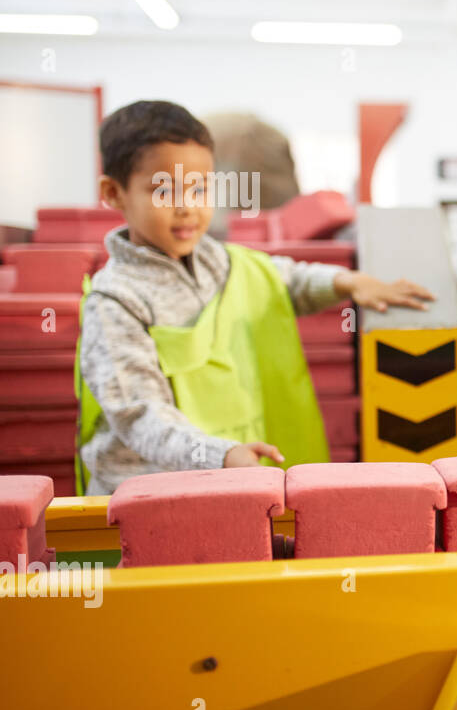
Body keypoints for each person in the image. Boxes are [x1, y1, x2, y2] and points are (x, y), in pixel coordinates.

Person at [75, 100, 433, 495]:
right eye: (164, 190)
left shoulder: (223, 263)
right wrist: (219, 456)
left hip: (227, 485)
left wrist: (349, 282)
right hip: (145, 501)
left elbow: (284, 279)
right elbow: (142, 417)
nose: (187, 207)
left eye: (199, 187)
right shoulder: (115, 302)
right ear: (113, 192)